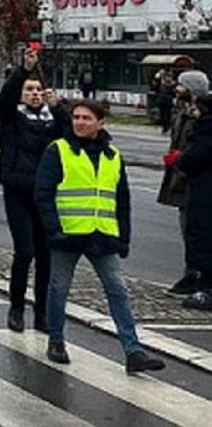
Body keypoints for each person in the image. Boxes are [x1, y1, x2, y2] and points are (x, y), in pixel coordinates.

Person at [35, 97, 165, 372]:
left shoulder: (113, 156)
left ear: (100, 123)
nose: (80, 122)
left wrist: (124, 237)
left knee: (118, 289)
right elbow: (43, 194)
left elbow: (122, 200)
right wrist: (53, 229)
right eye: (76, 117)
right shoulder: (58, 150)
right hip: (68, 234)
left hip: (102, 235)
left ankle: (133, 351)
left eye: (86, 118)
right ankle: (56, 341)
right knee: (58, 288)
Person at [0, 47, 69, 331]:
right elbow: (5, 98)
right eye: (29, 90)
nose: (35, 94)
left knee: (46, 256)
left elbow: (69, 135)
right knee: (24, 251)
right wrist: (23, 70)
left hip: (45, 195)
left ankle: (42, 313)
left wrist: (59, 108)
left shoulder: (52, 121)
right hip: (18, 191)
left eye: (39, 90)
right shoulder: (11, 118)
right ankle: (16, 307)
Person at [161, 71, 208, 296]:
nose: (177, 89)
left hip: (193, 175)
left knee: (194, 229)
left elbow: (199, 145)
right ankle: (192, 273)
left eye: (181, 85)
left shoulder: (201, 114)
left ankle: (196, 275)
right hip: (181, 174)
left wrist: (182, 157)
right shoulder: (182, 109)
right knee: (187, 225)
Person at [173, 87, 212, 309]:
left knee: (202, 238)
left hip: (204, 194)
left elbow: (190, 160)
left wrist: (180, 159)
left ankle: (206, 289)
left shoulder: (205, 133)